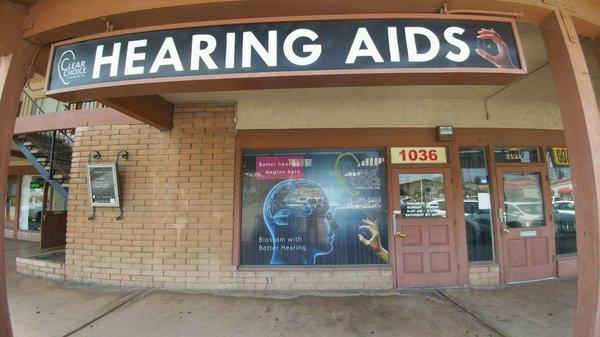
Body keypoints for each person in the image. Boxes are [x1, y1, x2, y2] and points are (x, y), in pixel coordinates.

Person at [262, 179, 339, 265]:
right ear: (296, 224)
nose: (334, 226)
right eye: (323, 215)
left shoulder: (285, 270)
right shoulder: (287, 275)